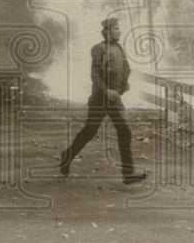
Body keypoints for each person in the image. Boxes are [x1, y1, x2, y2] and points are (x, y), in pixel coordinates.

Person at [59, 18, 147, 185]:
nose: (119, 31)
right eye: (116, 29)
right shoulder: (99, 49)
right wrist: (107, 90)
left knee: (124, 131)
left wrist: (124, 84)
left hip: (114, 99)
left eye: (118, 28)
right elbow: (95, 75)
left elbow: (125, 68)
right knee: (90, 131)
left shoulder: (118, 47)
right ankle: (67, 156)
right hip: (100, 98)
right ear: (106, 32)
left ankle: (128, 173)